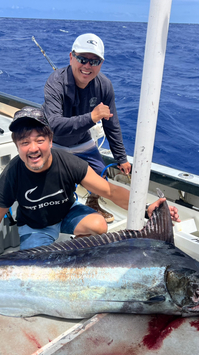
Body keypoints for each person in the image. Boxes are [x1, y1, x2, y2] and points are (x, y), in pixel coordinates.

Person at [0, 107, 178, 266]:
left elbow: (109, 191)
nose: (33, 149)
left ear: (50, 140)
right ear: (17, 146)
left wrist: (147, 208)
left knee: (99, 224)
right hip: (36, 225)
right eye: (25, 143)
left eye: (40, 140)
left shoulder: (68, 162)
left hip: (68, 212)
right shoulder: (13, 173)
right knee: (32, 265)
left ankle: (74, 257)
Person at [42, 33, 131, 224]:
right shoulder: (55, 82)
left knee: (100, 175)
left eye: (95, 61)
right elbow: (54, 125)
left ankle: (92, 203)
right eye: (82, 59)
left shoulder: (104, 86)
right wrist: (91, 117)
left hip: (81, 141)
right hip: (53, 142)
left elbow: (111, 124)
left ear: (101, 63)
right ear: (71, 57)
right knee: (52, 184)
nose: (87, 66)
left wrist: (121, 158)